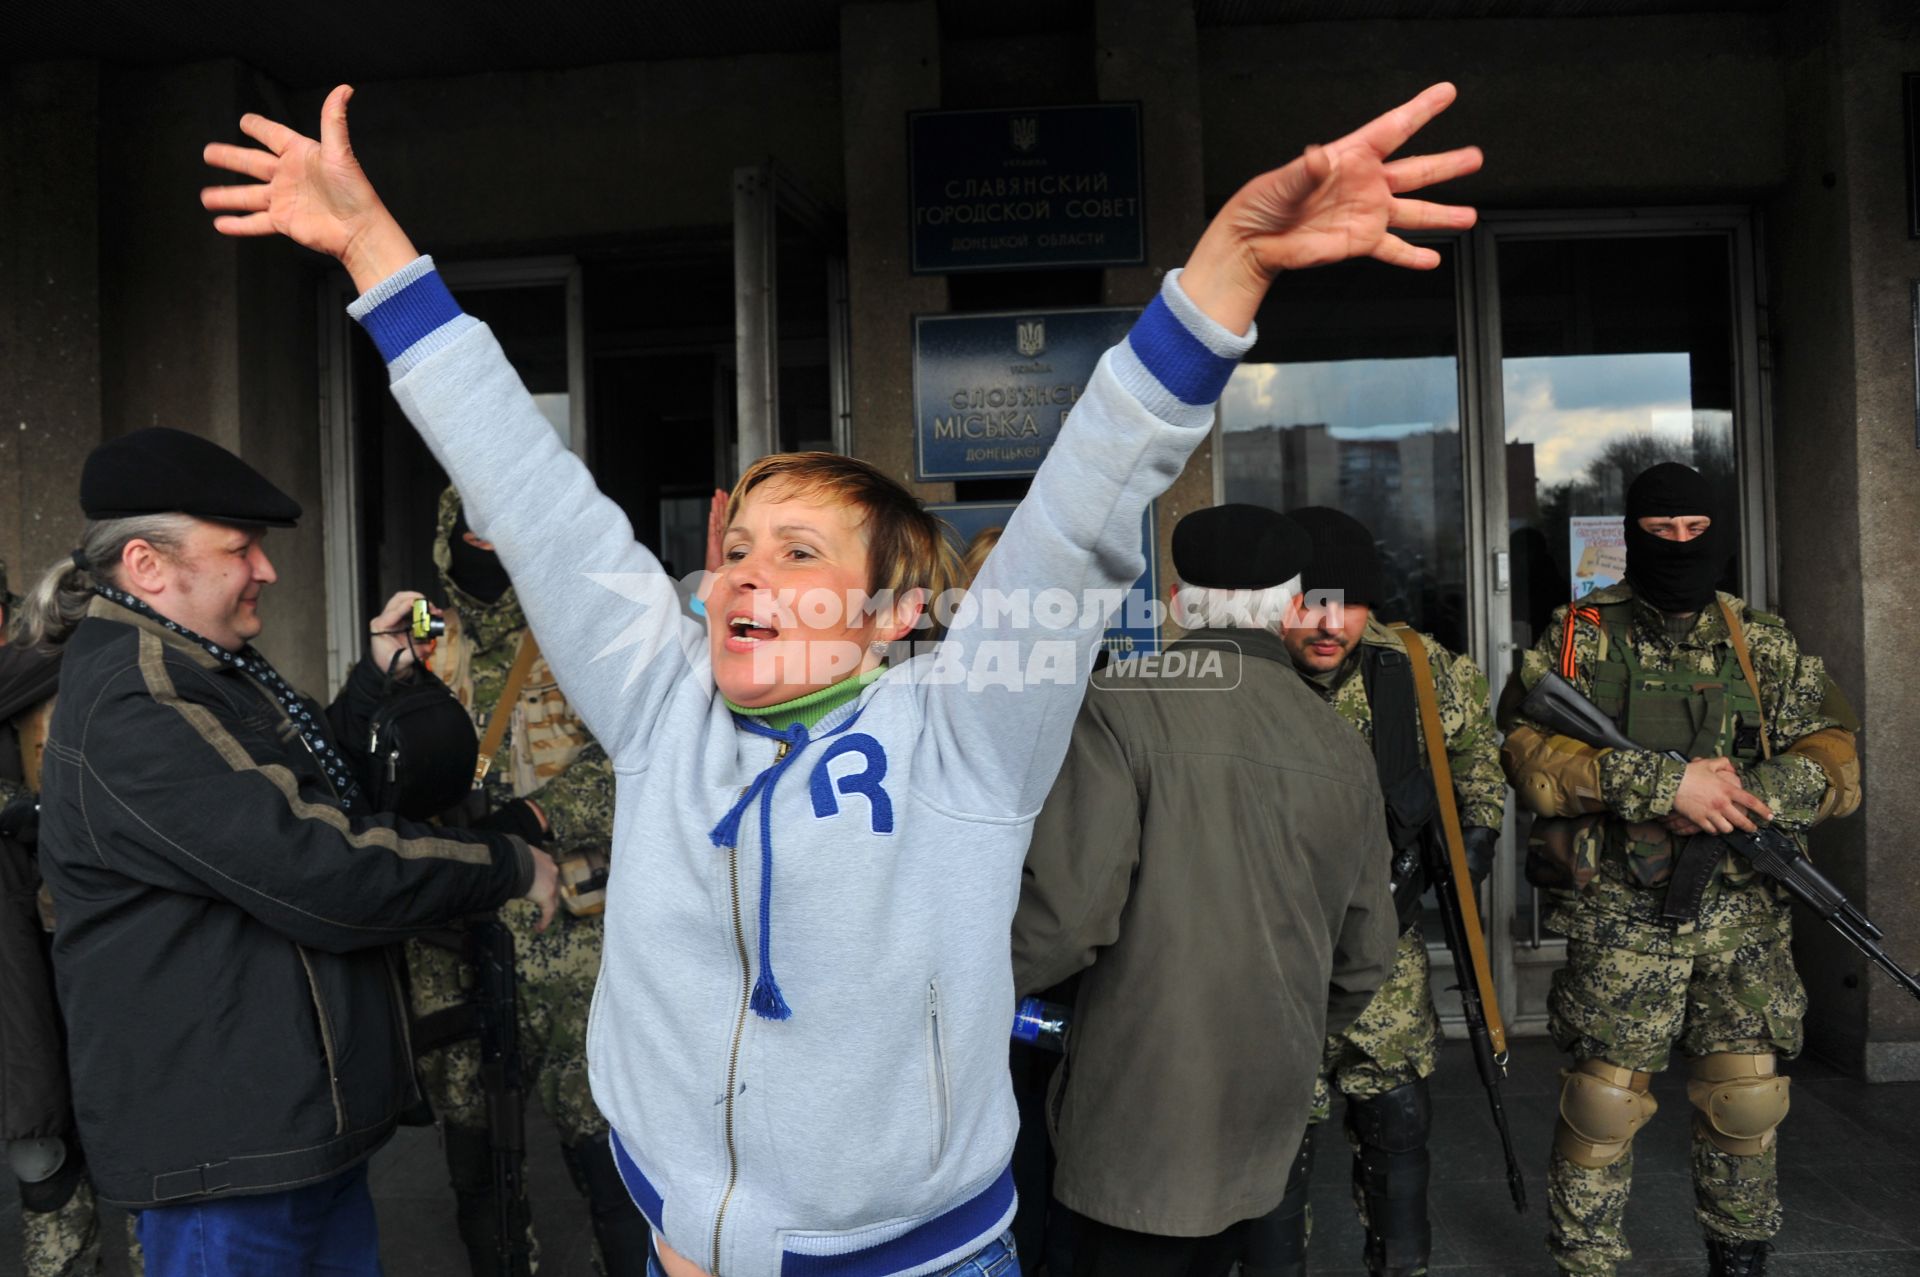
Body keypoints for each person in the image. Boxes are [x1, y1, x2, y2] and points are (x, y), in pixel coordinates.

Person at [203, 81, 1480, 1277]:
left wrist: (1228, 275)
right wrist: (377, 254)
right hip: (680, 1244)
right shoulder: (660, 698)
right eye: (739, 547)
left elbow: (1088, 495)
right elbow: (529, 496)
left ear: (891, 615)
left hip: (916, 1256)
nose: (746, 574)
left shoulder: (969, 726)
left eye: (799, 551)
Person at [23, 428, 559, 1277]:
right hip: (227, 1154)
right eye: (240, 549)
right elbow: (323, 865)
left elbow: (301, 790)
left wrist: (376, 683)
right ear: (147, 565)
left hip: (286, 1133)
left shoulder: (199, 665)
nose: (265, 569)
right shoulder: (140, 699)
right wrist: (507, 862)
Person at [1011, 503, 1401, 1277]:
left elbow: (1066, 919)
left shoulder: (1120, 701)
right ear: (1292, 605)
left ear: (1182, 600)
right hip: (1268, 1104)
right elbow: (1366, 954)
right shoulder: (1339, 741)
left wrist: (959, 992)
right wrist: (1287, 1031)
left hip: (1134, 1106)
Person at [1499, 463, 1862, 1277]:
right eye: (1659, 531)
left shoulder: (1759, 638)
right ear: (1631, 534)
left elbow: (1835, 752)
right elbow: (1527, 750)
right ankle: (1586, 1262)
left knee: (1747, 1100)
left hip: (1744, 919)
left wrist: (1757, 793)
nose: (1678, 545)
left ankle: (1740, 1258)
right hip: (1623, 913)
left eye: (1696, 529)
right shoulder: (1582, 631)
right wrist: (1665, 784)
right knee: (1603, 1102)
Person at [410, 486, 648, 1274]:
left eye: (496, 534)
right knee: (478, 1168)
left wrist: (538, 816)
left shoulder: (580, 630)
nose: (482, 552)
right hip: (453, 934)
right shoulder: (421, 640)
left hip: (570, 945)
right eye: (467, 535)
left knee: (609, 1161)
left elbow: (640, 758)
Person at [1267, 506, 1504, 1277]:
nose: (1328, 624)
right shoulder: (1242, 672)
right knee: (1272, 1134)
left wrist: (1474, 839)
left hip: (1386, 950)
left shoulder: (1417, 666)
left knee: (1397, 1119)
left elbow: (1476, 757)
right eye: (1308, 603)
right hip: (1269, 951)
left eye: (1348, 603)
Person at [0, 562, 141, 1277]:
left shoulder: (139, 681)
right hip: (37, 952)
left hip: (125, 947)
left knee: (156, 1160)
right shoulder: (16, 685)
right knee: (47, 1158)